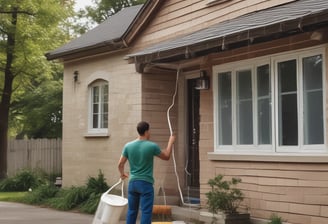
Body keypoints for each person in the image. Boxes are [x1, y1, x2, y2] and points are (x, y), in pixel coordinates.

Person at [118, 121, 176, 224]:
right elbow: (167, 156)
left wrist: (122, 174)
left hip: (133, 183)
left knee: (131, 211)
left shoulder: (128, 146)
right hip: (145, 184)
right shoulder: (151, 146)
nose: (150, 133)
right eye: (149, 131)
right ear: (146, 132)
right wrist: (170, 142)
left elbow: (120, 164)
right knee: (146, 212)